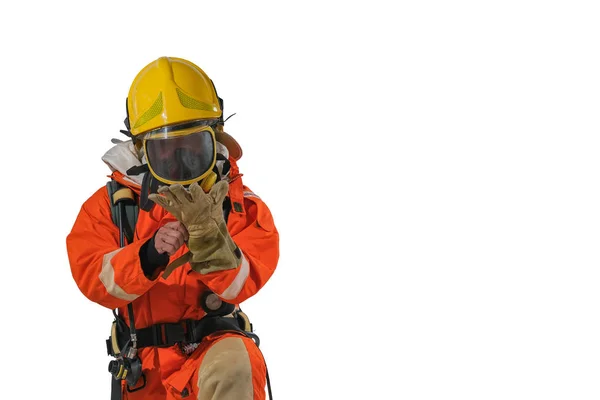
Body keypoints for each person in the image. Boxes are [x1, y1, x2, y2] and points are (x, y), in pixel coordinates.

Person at [66, 56, 279, 400]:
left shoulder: (240, 204)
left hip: (212, 350)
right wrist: (148, 255)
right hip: (142, 372)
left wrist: (212, 240)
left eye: (194, 148)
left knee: (235, 364)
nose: (183, 162)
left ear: (216, 140)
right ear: (141, 150)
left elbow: (245, 281)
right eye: (167, 150)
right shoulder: (113, 205)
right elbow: (93, 277)